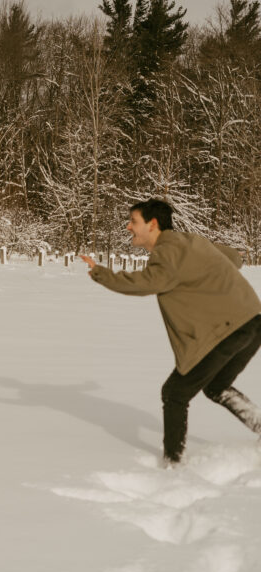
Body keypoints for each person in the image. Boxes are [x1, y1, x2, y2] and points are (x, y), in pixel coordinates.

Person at [80, 198, 261, 465]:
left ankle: (173, 464)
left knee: (175, 393)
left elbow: (146, 283)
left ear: (152, 224)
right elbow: (233, 258)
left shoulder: (166, 253)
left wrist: (100, 273)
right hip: (253, 320)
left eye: (134, 222)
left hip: (227, 330)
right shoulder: (190, 241)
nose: (128, 227)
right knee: (216, 386)